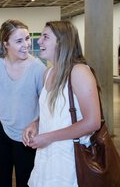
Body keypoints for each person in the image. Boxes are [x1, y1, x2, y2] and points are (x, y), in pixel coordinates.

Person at [23, 21, 101, 187]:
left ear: (62, 42)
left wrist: (47, 138)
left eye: (45, 37)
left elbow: (93, 122)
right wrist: (35, 124)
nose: (39, 41)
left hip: (70, 159)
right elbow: (54, 114)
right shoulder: (48, 73)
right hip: (48, 157)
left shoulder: (79, 72)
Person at [0, 19, 46, 187]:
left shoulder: (38, 69)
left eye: (27, 38)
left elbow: (45, 105)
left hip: (26, 136)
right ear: (5, 44)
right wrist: (1, 114)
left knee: (25, 183)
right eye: (19, 41)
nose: (26, 44)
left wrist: (35, 124)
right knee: (0, 182)